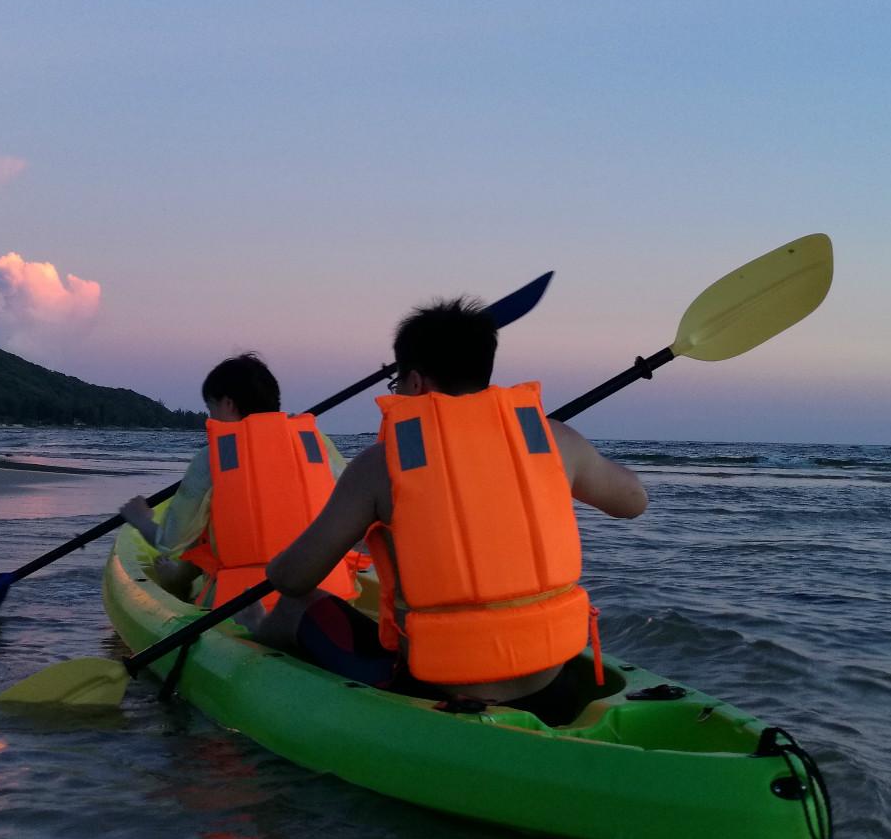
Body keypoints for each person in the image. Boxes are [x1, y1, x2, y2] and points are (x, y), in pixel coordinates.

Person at [258, 298, 647, 724]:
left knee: (293, 607)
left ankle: (254, 686)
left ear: (416, 382)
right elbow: (633, 502)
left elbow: (293, 578)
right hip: (551, 683)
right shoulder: (553, 440)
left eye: (398, 387)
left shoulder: (382, 463)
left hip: (437, 690)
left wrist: (274, 564)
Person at [119, 353, 361, 613]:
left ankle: (178, 579)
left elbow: (170, 541)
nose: (209, 420)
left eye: (210, 410)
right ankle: (179, 576)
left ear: (228, 404)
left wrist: (141, 519)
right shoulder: (318, 443)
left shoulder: (212, 457)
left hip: (243, 606)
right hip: (329, 599)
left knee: (206, 521)